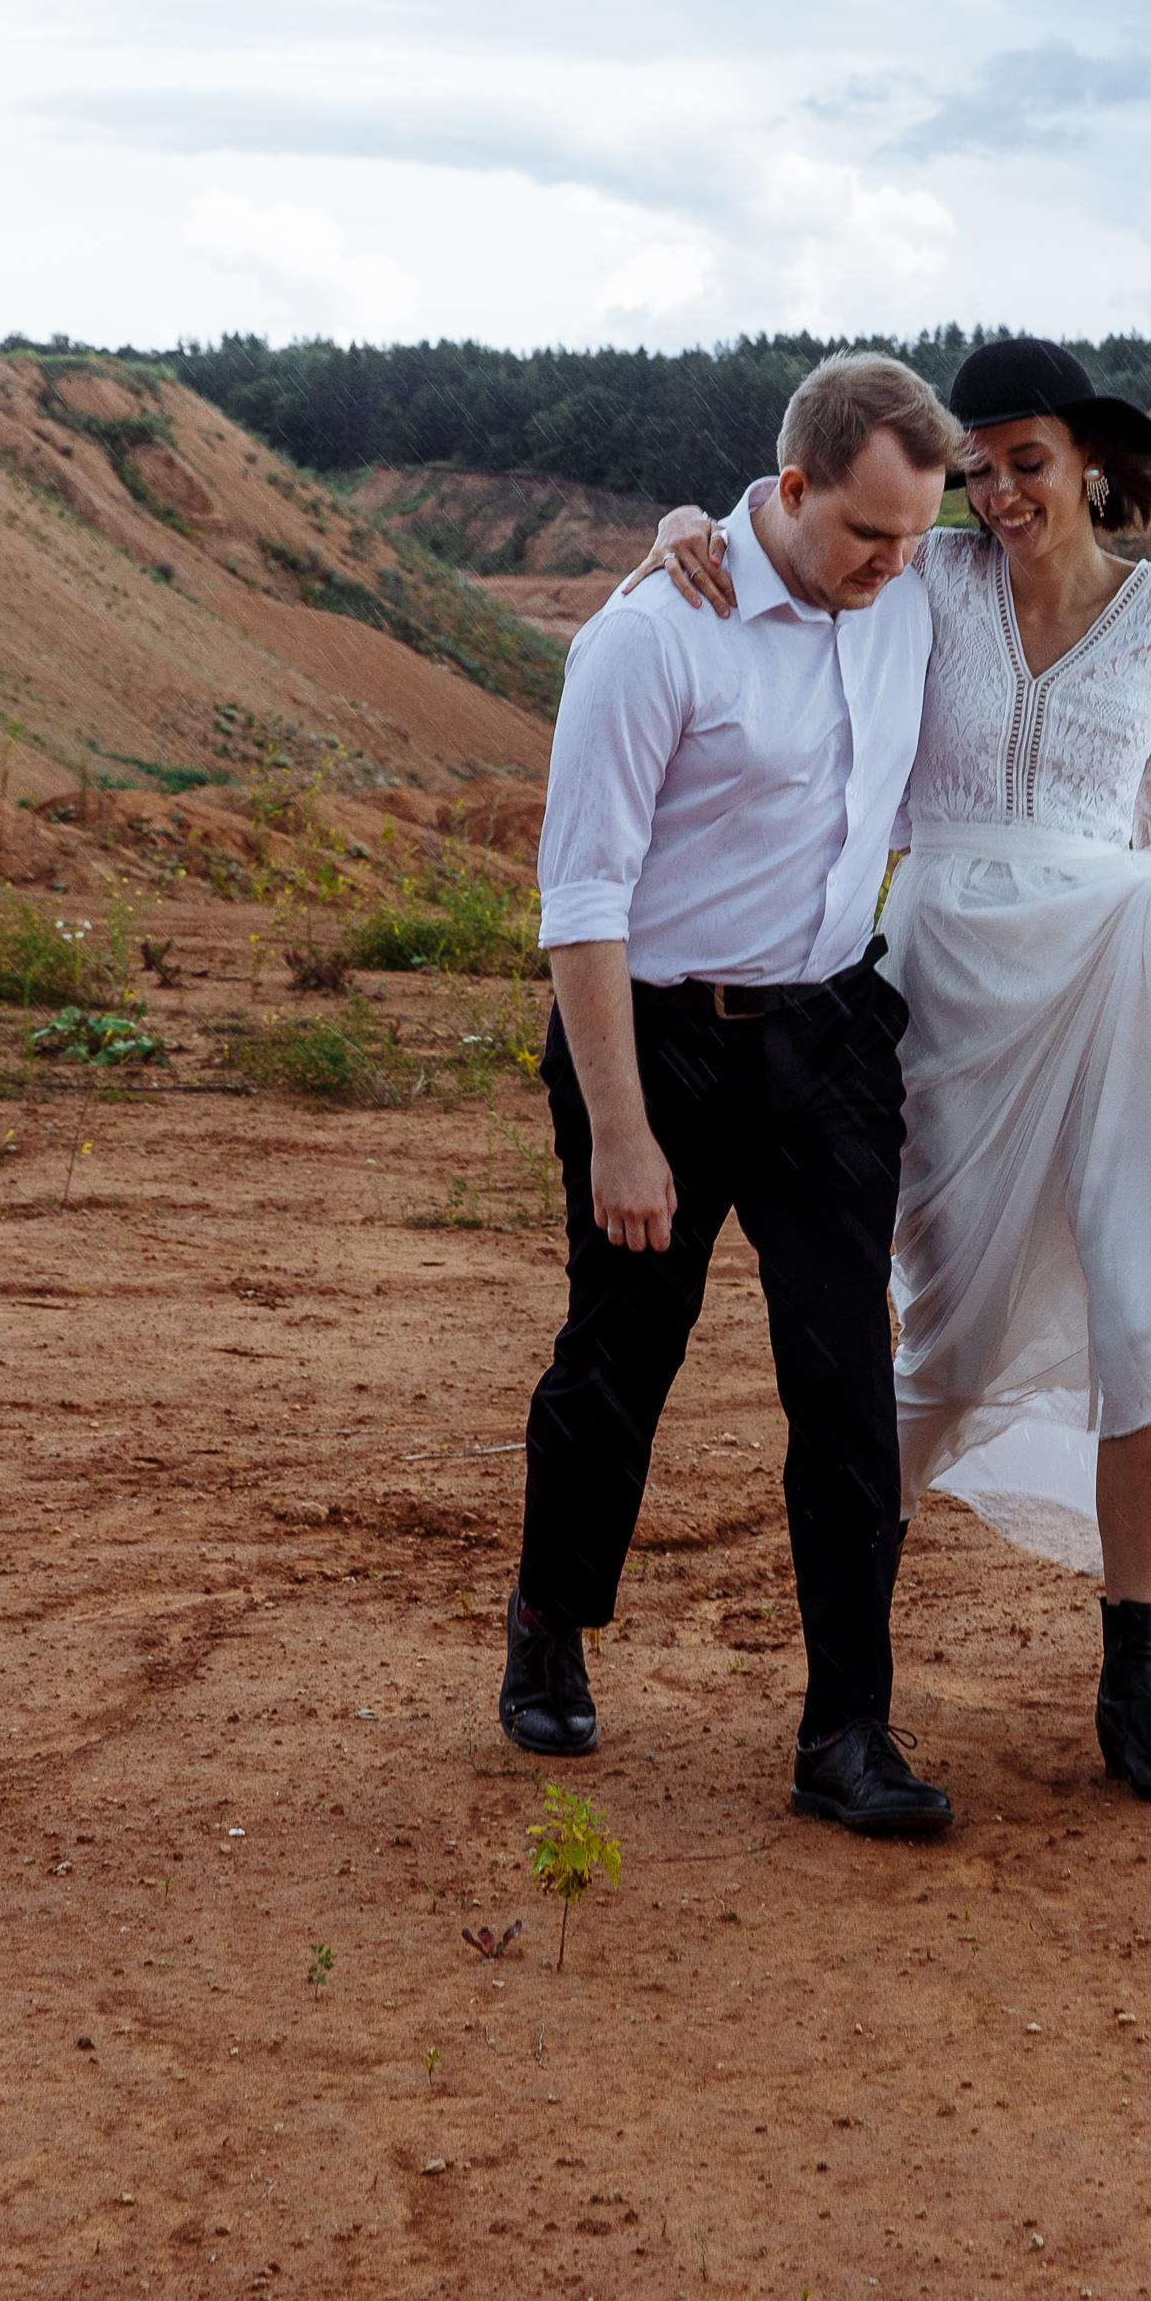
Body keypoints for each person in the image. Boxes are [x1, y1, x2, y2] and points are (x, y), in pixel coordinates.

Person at [635, 333, 1151, 1806]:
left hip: (1116, 978)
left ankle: (1133, 1685)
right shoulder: (932, 580)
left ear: (1089, 459)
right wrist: (684, 528)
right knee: (938, 1341)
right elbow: (796, 520)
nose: (1000, 495)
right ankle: (850, 1692)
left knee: (1143, 1304)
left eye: (1026, 463)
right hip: (947, 974)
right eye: (980, 471)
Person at [498, 351, 964, 1840]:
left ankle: (847, 1735)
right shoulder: (650, 640)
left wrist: (855, 551)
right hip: (656, 1046)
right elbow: (580, 899)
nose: (896, 567)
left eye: (913, 536)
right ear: (789, 491)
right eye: (865, 536)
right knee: (621, 1353)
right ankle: (548, 1620)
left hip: (830, 1040)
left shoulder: (908, 589)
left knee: (846, 1388)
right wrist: (622, 1132)